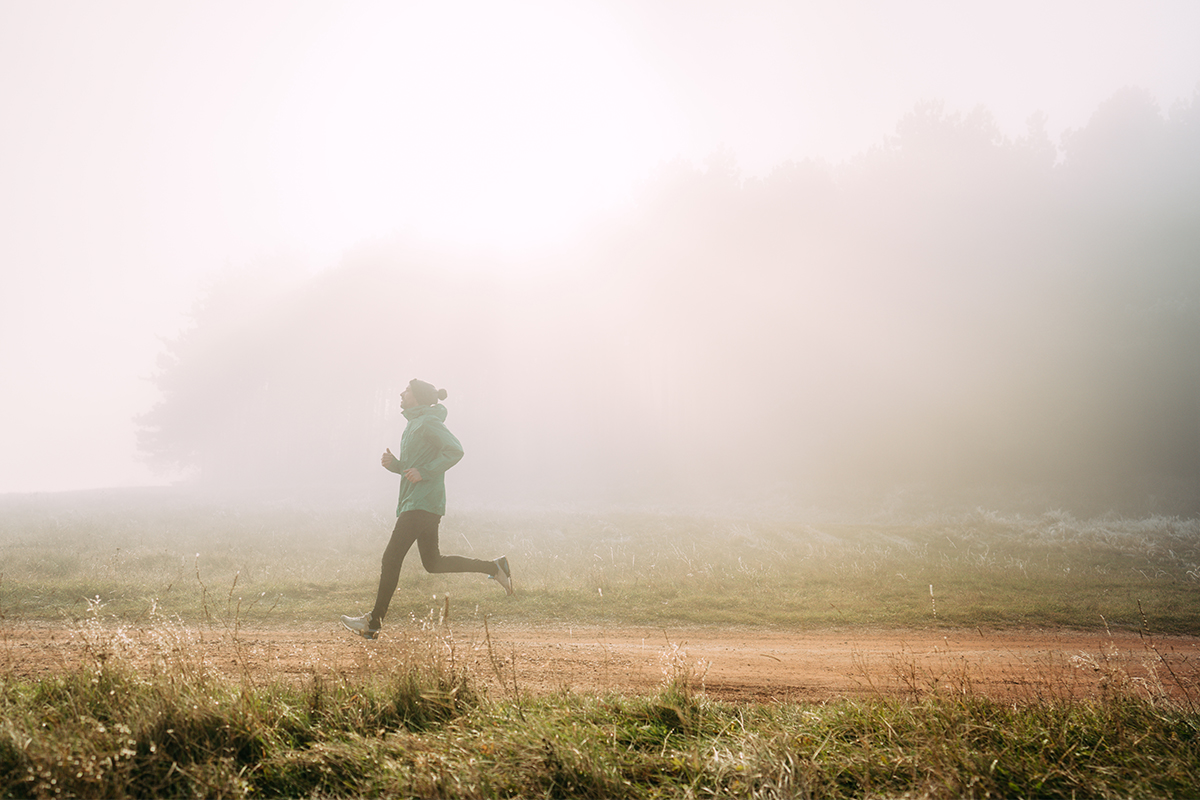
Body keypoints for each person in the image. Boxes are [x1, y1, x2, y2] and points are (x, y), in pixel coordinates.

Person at [341, 379, 512, 639]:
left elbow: (455, 450)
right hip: (419, 502)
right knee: (433, 563)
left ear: (417, 396)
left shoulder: (429, 422)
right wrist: (397, 465)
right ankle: (495, 567)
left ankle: (373, 623)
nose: (401, 393)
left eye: (406, 391)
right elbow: (415, 466)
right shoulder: (413, 424)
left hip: (422, 503)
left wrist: (426, 472)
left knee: (391, 558)